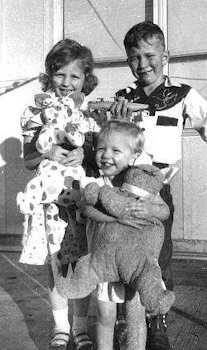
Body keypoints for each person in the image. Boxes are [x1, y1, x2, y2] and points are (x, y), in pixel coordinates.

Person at [108, 20, 207, 350]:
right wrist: (114, 121)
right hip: (123, 191)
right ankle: (126, 321)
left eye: (150, 55)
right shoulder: (122, 98)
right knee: (121, 258)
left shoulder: (181, 95)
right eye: (134, 58)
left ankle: (157, 322)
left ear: (166, 56)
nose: (143, 64)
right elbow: (107, 146)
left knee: (158, 259)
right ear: (128, 61)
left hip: (158, 193)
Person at [19, 39, 99, 350]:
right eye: (59, 74)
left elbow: (97, 155)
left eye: (74, 76)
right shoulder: (37, 110)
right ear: (49, 75)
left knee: (82, 262)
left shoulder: (88, 112)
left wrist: (84, 156)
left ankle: (80, 327)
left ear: (85, 79)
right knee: (55, 263)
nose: (66, 83)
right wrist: (48, 152)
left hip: (79, 198)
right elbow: (28, 161)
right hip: (50, 202)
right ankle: (60, 326)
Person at [82, 119, 171, 350]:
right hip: (107, 262)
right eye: (101, 148)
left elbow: (164, 210)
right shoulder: (95, 181)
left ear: (133, 156)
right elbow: (87, 209)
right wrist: (116, 216)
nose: (106, 155)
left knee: (136, 316)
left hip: (135, 262)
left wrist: (150, 209)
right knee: (105, 316)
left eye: (115, 150)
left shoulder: (139, 183)